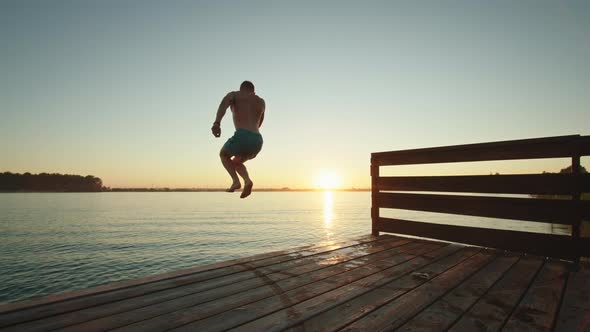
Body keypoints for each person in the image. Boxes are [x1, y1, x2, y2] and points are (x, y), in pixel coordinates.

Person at [211, 81, 265, 198]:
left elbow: (223, 106)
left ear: (241, 89)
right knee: (236, 162)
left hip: (242, 135)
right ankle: (247, 181)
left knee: (224, 155)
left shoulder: (234, 95)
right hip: (257, 140)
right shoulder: (261, 102)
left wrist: (217, 123)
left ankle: (236, 181)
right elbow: (260, 122)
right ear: (253, 91)